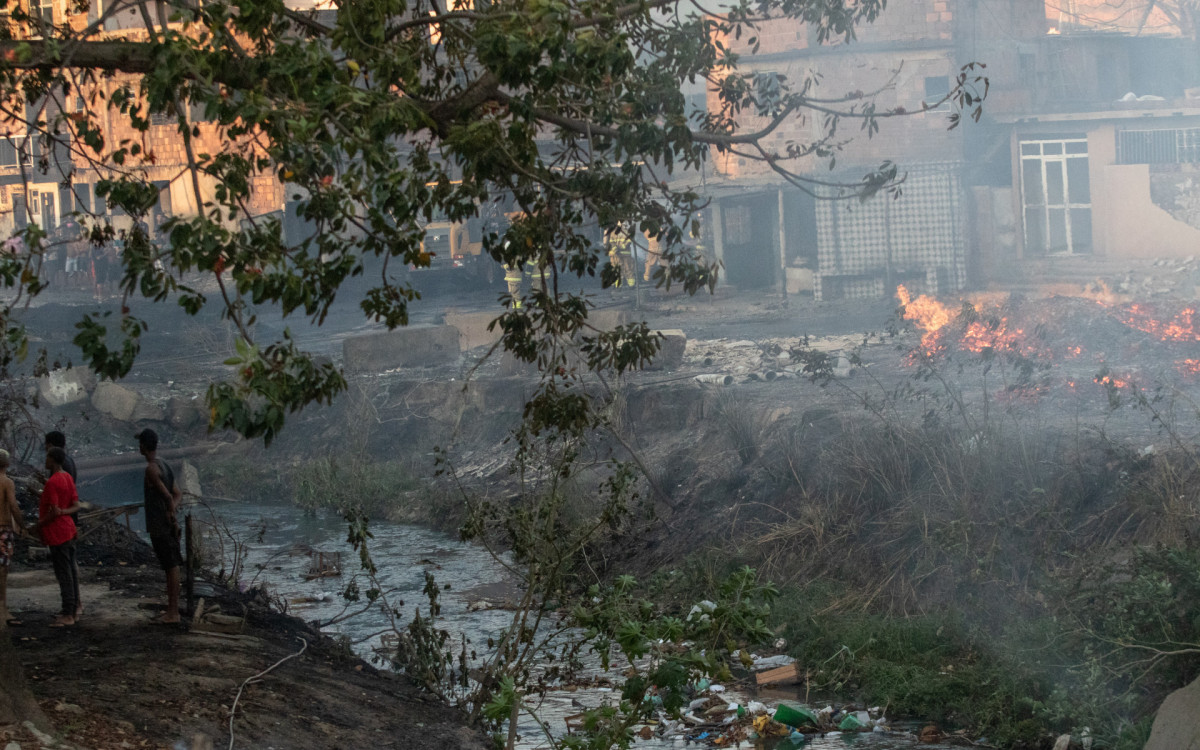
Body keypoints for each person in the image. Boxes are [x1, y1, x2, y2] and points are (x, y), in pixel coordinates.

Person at [137, 429, 183, 624]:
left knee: (170, 567)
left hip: (160, 527)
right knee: (171, 567)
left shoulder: (151, 469)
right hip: (166, 526)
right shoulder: (164, 464)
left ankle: (173, 612)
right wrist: (172, 511)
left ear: (143, 447)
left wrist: (170, 513)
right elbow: (177, 494)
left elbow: (166, 495)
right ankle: (172, 610)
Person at [37, 447, 79, 627]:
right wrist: (64, 511)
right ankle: (71, 609)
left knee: (63, 573)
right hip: (68, 529)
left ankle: (68, 614)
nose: (45, 461)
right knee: (69, 570)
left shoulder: (53, 482)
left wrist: (36, 526)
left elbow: (53, 512)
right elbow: (76, 505)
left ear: (53, 460)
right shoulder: (67, 477)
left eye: (47, 458)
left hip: (57, 532)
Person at [0, 449, 24, 628]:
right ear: (7, 464)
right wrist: (23, 525)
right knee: (3, 571)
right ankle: (3, 610)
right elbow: (14, 506)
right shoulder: (7, 482)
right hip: (3, 530)